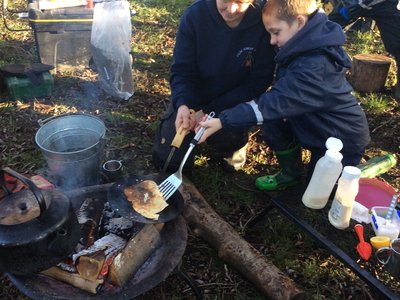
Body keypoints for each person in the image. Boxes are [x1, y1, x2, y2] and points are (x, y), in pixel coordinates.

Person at [197, 0, 370, 191]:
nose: (271, 40)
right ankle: (290, 172)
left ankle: (363, 171)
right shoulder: (303, 45)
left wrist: (224, 120)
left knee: (322, 191)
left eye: (276, 32)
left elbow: (276, 102)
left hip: (340, 139)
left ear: (300, 22)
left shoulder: (316, 65)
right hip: (311, 121)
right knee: (272, 122)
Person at [152, 0, 276, 174]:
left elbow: (258, 82)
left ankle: (236, 144)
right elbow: (182, 70)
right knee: (167, 160)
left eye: (240, 2)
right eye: (225, 0)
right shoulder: (194, 16)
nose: (231, 10)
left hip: (234, 99)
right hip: (196, 96)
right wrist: (183, 103)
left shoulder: (264, 21)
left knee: (228, 139)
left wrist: (211, 111)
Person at [324, 0, 400, 100]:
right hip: (353, 2)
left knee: (397, 45)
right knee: (326, 30)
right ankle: (317, 72)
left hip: (388, 5)